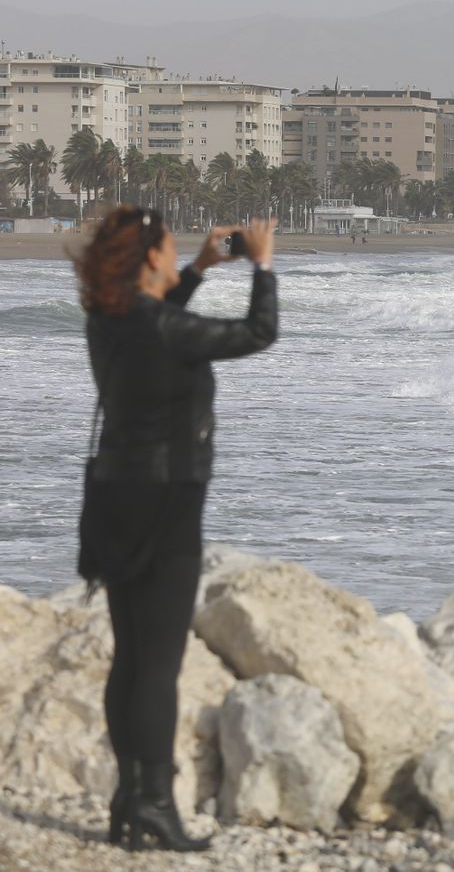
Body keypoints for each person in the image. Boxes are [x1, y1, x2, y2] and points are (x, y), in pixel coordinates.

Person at [75, 207, 278, 851]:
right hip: (168, 507)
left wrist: (197, 268)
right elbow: (258, 332)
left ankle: (129, 799)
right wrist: (263, 264)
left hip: (114, 500)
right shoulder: (161, 327)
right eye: (170, 248)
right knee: (159, 666)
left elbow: (162, 324)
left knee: (131, 655)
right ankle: (157, 805)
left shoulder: (108, 320)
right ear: (151, 256)